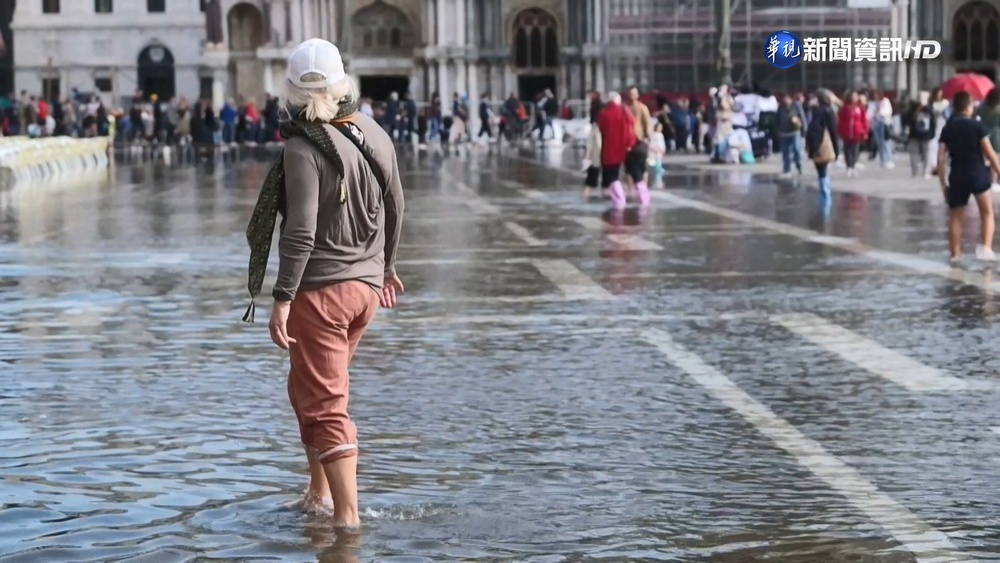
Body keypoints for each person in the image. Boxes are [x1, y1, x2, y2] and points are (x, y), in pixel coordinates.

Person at [242, 38, 406, 527]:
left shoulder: (301, 146)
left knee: (327, 405)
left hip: (321, 293)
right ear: (342, 83)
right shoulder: (373, 132)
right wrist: (387, 267)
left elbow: (301, 230)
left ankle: (346, 521)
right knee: (306, 389)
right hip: (364, 291)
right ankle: (317, 493)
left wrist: (282, 297)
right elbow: (397, 205)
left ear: (290, 91)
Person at [937, 90, 1000, 262]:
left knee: (956, 216)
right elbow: (990, 153)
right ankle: (985, 249)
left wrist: (943, 185)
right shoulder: (977, 126)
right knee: (987, 212)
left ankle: (955, 254)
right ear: (969, 107)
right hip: (978, 172)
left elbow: (940, 159)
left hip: (957, 174)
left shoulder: (948, 129)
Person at [597, 91, 636, 209]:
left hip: (610, 148)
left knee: (613, 175)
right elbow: (632, 124)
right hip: (627, 146)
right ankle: (635, 194)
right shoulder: (625, 111)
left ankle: (619, 198)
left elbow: (601, 128)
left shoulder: (604, 113)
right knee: (631, 171)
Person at [806, 92, 838, 198]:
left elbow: (810, 129)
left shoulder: (813, 111)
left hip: (815, 142)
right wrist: (836, 148)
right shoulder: (828, 111)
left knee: (820, 168)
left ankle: (824, 191)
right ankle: (825, 191)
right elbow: (832, 130)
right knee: (823, 167)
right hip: (824, 141)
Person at [837, 91, 868, 177]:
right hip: (846, 132)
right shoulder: (845, 108)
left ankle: (853, 166)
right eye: (853, 96)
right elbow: (840, 121)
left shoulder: (860, 108)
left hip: (857, 132)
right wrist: (839, 131)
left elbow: (864, 120)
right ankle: (848, 167)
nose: (855, 98)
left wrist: (865, 131)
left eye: (856, 96)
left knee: (855, 150)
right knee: (847, 150)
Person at [908, 91, 936, 178]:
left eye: (923, 98)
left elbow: (933, 122)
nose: (921, 100)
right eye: (920, 97)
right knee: (914, 154)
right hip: (914, 135)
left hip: (926, 136)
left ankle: (925, 171)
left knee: (926, 154)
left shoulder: (930, 109)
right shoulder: (914, 108)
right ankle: (915, 172)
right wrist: (917, 109)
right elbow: (908, 120)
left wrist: (932, 134)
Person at [777, 93, 806, 176]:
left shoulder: (796, 106)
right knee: (786, 152)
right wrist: (777, 130)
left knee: (797, 149)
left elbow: (802, 117)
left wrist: (804, 129)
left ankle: (799, 165)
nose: (785, 100)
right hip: (784, 133)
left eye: (787, 98)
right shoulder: (780, 107)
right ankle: (787, 169)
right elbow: (777, 119)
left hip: (795, 131)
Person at [583, 120, 602, 200]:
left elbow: (589, 145)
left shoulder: (595, 128)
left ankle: (586, 196)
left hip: (596, 159)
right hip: (602, 159)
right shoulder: (596, 128)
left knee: (589, 184)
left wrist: (586, 160)